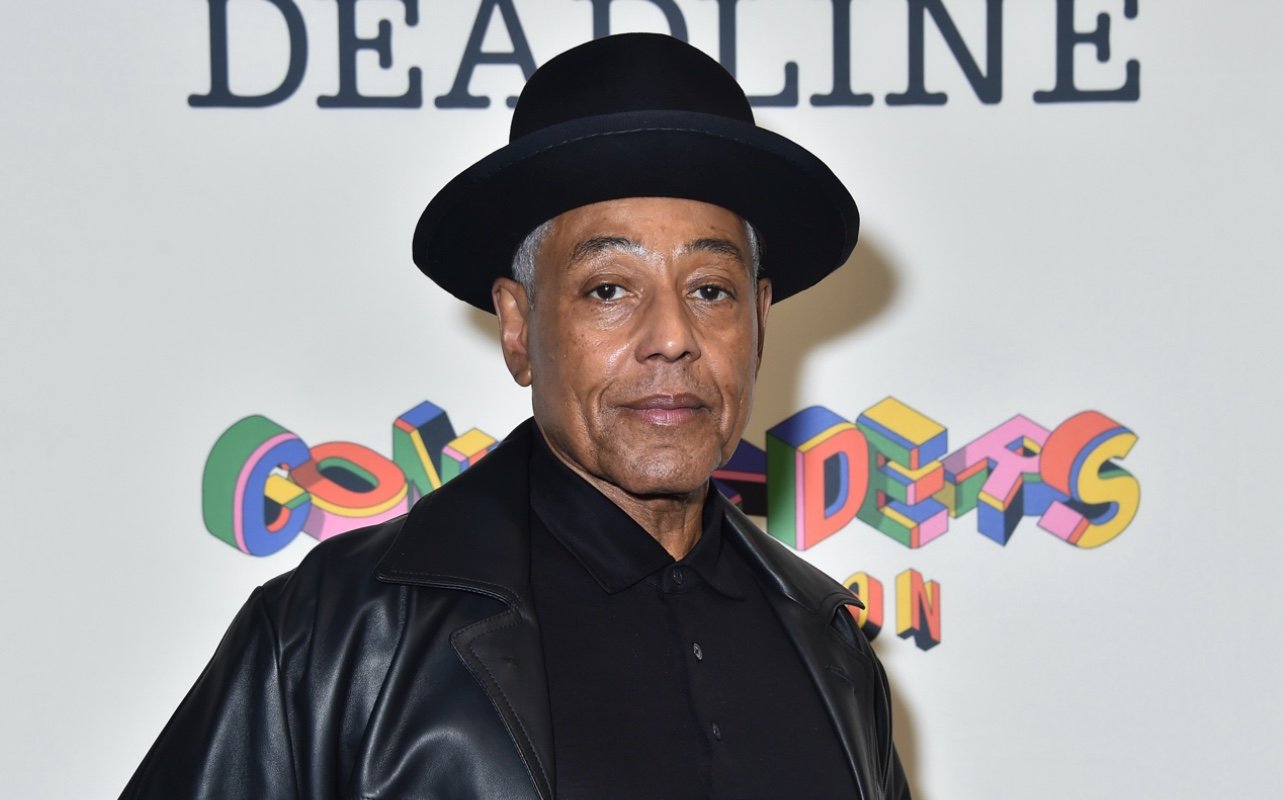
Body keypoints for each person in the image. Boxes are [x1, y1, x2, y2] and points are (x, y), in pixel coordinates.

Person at [123, 33, 911, 799]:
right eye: (609, 289)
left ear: (759, 322)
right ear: (517, 326)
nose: (672, 336)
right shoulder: (335, 636)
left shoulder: (829, 647)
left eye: (711, 290)